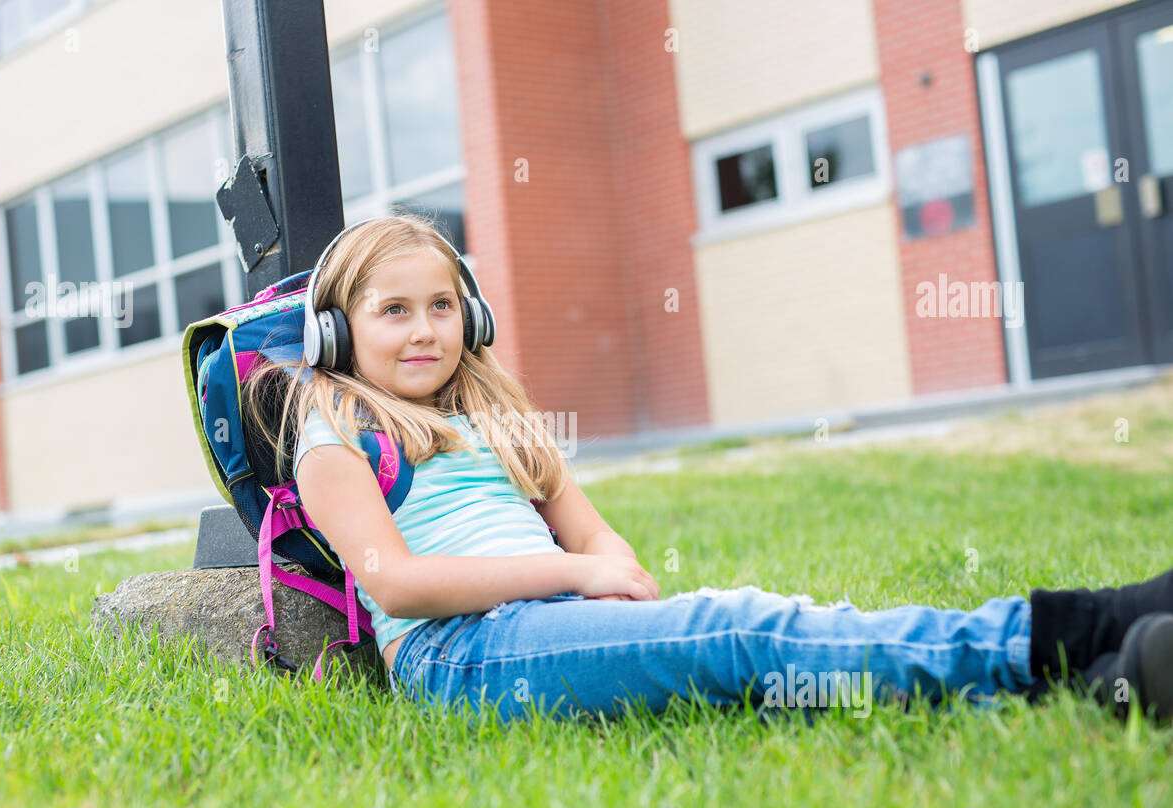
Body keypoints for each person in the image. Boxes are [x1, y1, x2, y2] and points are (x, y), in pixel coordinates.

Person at [245, 214, 1173, 726]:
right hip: (464, 659)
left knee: (771, 649)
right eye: (393, 311)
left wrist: (615, 574)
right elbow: (394, 582)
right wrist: (577, 575)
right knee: (743, 634)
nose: (424, 329)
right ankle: (1064, 634)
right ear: (337, 332)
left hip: (546, 621)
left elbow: (584, 523)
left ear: (473, 317)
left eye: (442, 305)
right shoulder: (337, 431)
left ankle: (1101, 669)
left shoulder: (488, 414)